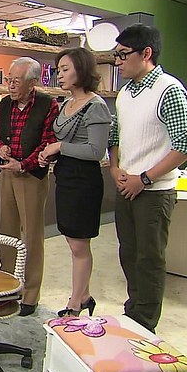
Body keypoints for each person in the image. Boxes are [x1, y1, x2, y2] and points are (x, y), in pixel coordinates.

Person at [107, 24, 187, 332]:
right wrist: (115, 167)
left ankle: (145, 323)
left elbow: (186, 145)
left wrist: (144, 178)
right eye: (116, 55)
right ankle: (133, 311)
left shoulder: (168, 89)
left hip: (154, 191)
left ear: (146, 53)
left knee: (149, 258)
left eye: (123, 55)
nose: (118, 62)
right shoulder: (125, 93)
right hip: (126, 186)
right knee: (129, 253)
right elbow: (116, 135)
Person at [38, 48, 112, 318]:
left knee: (79, 245)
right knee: (73, 241)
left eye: (65, 69)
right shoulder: (66, 103)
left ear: (81, 70)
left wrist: (59, 146)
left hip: (84, 181)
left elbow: (96, 151)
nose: (60, 75)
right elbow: (65, 143)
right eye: (58, 70)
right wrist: (50, 154)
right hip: (66, 177)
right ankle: (85, 295)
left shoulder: (96, 106)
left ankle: (75, 303)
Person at [0, 56, 59, 317]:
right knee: (7, 231)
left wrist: (24, 164)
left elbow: (48, 143)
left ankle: (30, 294)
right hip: (6, 174)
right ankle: (6, 285)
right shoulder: (4, 104)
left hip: (32, 176)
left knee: (31, 235)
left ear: (32, 83)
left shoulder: (48, 105)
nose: (10, 85)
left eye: (16, 81)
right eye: (9, 79)